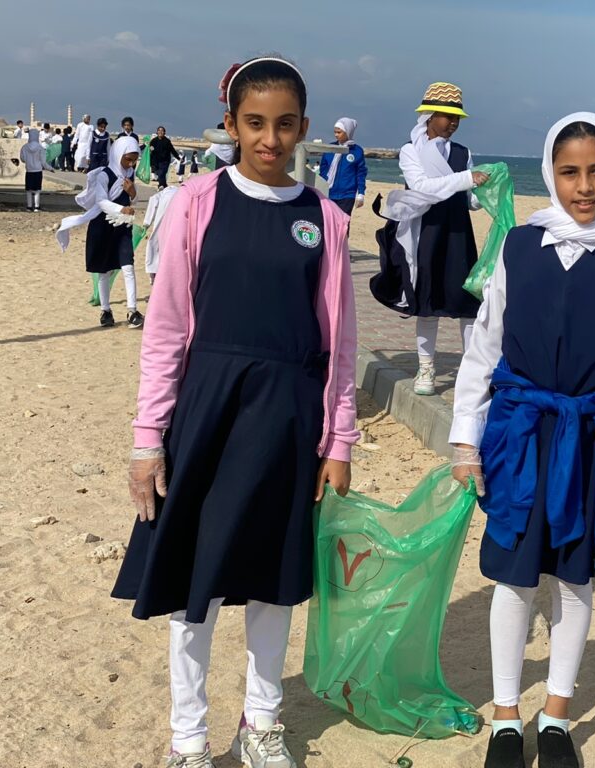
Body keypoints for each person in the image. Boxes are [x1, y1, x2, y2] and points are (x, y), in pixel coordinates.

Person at [112, 55, 358, 768]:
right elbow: (166, 330)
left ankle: (262, 722)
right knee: (197, 580)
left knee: (272, 581)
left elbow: (340, 343)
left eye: (284, 125)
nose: (269, 139)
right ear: (230, 124)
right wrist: (147, 439)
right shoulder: (195, 202)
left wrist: (339, 439)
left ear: (304, 128)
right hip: (208, 412)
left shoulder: (326, 219)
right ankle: (188, 738)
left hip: (289, 418)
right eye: (255, 123)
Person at [449, 113, 595, 768]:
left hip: (591, 440)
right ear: (550, 173)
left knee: (574, 578)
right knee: (514, 579)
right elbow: (483, 349)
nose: (584, 187)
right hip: (520, 435)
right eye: (570, 172)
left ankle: (557, 716)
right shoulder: (518, 247)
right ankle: (506, 719)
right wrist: (465, 441)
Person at [370, 82, 488, 397]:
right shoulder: (412, 151)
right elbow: (422, 187)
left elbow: (468, 199)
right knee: (427, 303)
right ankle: (426, 367)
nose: (453, 123)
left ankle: (472, 372)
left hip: (458, 232)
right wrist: (466, 179)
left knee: (468, 303)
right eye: (447, 116)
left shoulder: (463, 153)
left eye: (457, 117)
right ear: (429, 116)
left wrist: (485, 193)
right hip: (427, 232)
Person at [55, 136, 144, 329]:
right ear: (118, 154)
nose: (131, 163)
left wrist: (133, 193)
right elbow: (101, 201)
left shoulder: (129, 174)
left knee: (128, 265)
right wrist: (121, 209)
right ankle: (106, 310)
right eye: (128, 159)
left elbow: (132, 200)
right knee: (104, 269)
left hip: (122, 226)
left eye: (134, 160)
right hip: (103, 225)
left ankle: (132, 310)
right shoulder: (105, 175)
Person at [317, 117, 367, 216]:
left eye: (339, 132)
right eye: (335, 132)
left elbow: (360, 173)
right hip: (328, 192)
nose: (336, 135)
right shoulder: (330, 148)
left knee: (343, 223)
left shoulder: (357, 151)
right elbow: (323, 170)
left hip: (347, 195)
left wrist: (361, 193)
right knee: (328, 221)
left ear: (348, 132)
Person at [19, 128, 53, 211]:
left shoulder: (24, 147)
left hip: (29, 171)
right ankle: (37, 207)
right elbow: (43, 163)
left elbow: (22, 159)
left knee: (29, 190)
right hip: (38, 171)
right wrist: (50, 169)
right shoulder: (40, 148)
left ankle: (29, 206)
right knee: (37, 190)